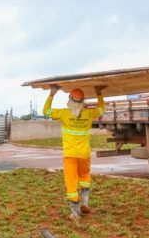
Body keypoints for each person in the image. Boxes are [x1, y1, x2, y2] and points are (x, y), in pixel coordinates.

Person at [43, 85, 106, 221]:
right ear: (82, 102)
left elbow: (46, 111)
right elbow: (101, 110)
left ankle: (75, 214)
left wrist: (52, 94)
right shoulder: (88, 114)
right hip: (84, 154)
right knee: (84, 177)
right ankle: (85, 203)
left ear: (70, 99)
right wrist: (99, 93)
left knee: (71, 183)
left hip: (70, 155)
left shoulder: (64, 114)